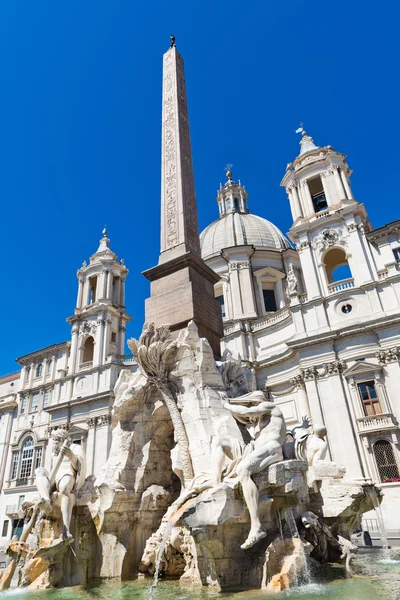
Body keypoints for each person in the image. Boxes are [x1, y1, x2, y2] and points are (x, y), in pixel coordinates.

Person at [210, 390, 286, 549]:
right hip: (253, 450)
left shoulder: (270, 406)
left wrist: (225, 404)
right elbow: (246, 415)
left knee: (243, 469)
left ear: (255, 402)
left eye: (251, 404)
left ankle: (256, 526)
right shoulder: (257, 423)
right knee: (219, 441)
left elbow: (245, 411)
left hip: (272, 448)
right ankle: (215, 483)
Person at [35, 429, 86, 540]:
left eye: (55, 440)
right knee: (39, 471)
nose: (53, 443)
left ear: (61, 439)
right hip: (54, 477)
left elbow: (80, 466)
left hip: (67, 474)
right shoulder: (54, 452)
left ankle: (66, 530)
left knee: (64, 488)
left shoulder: (75, 448)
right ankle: (46, 499)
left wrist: (71, 455)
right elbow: (50, 469)